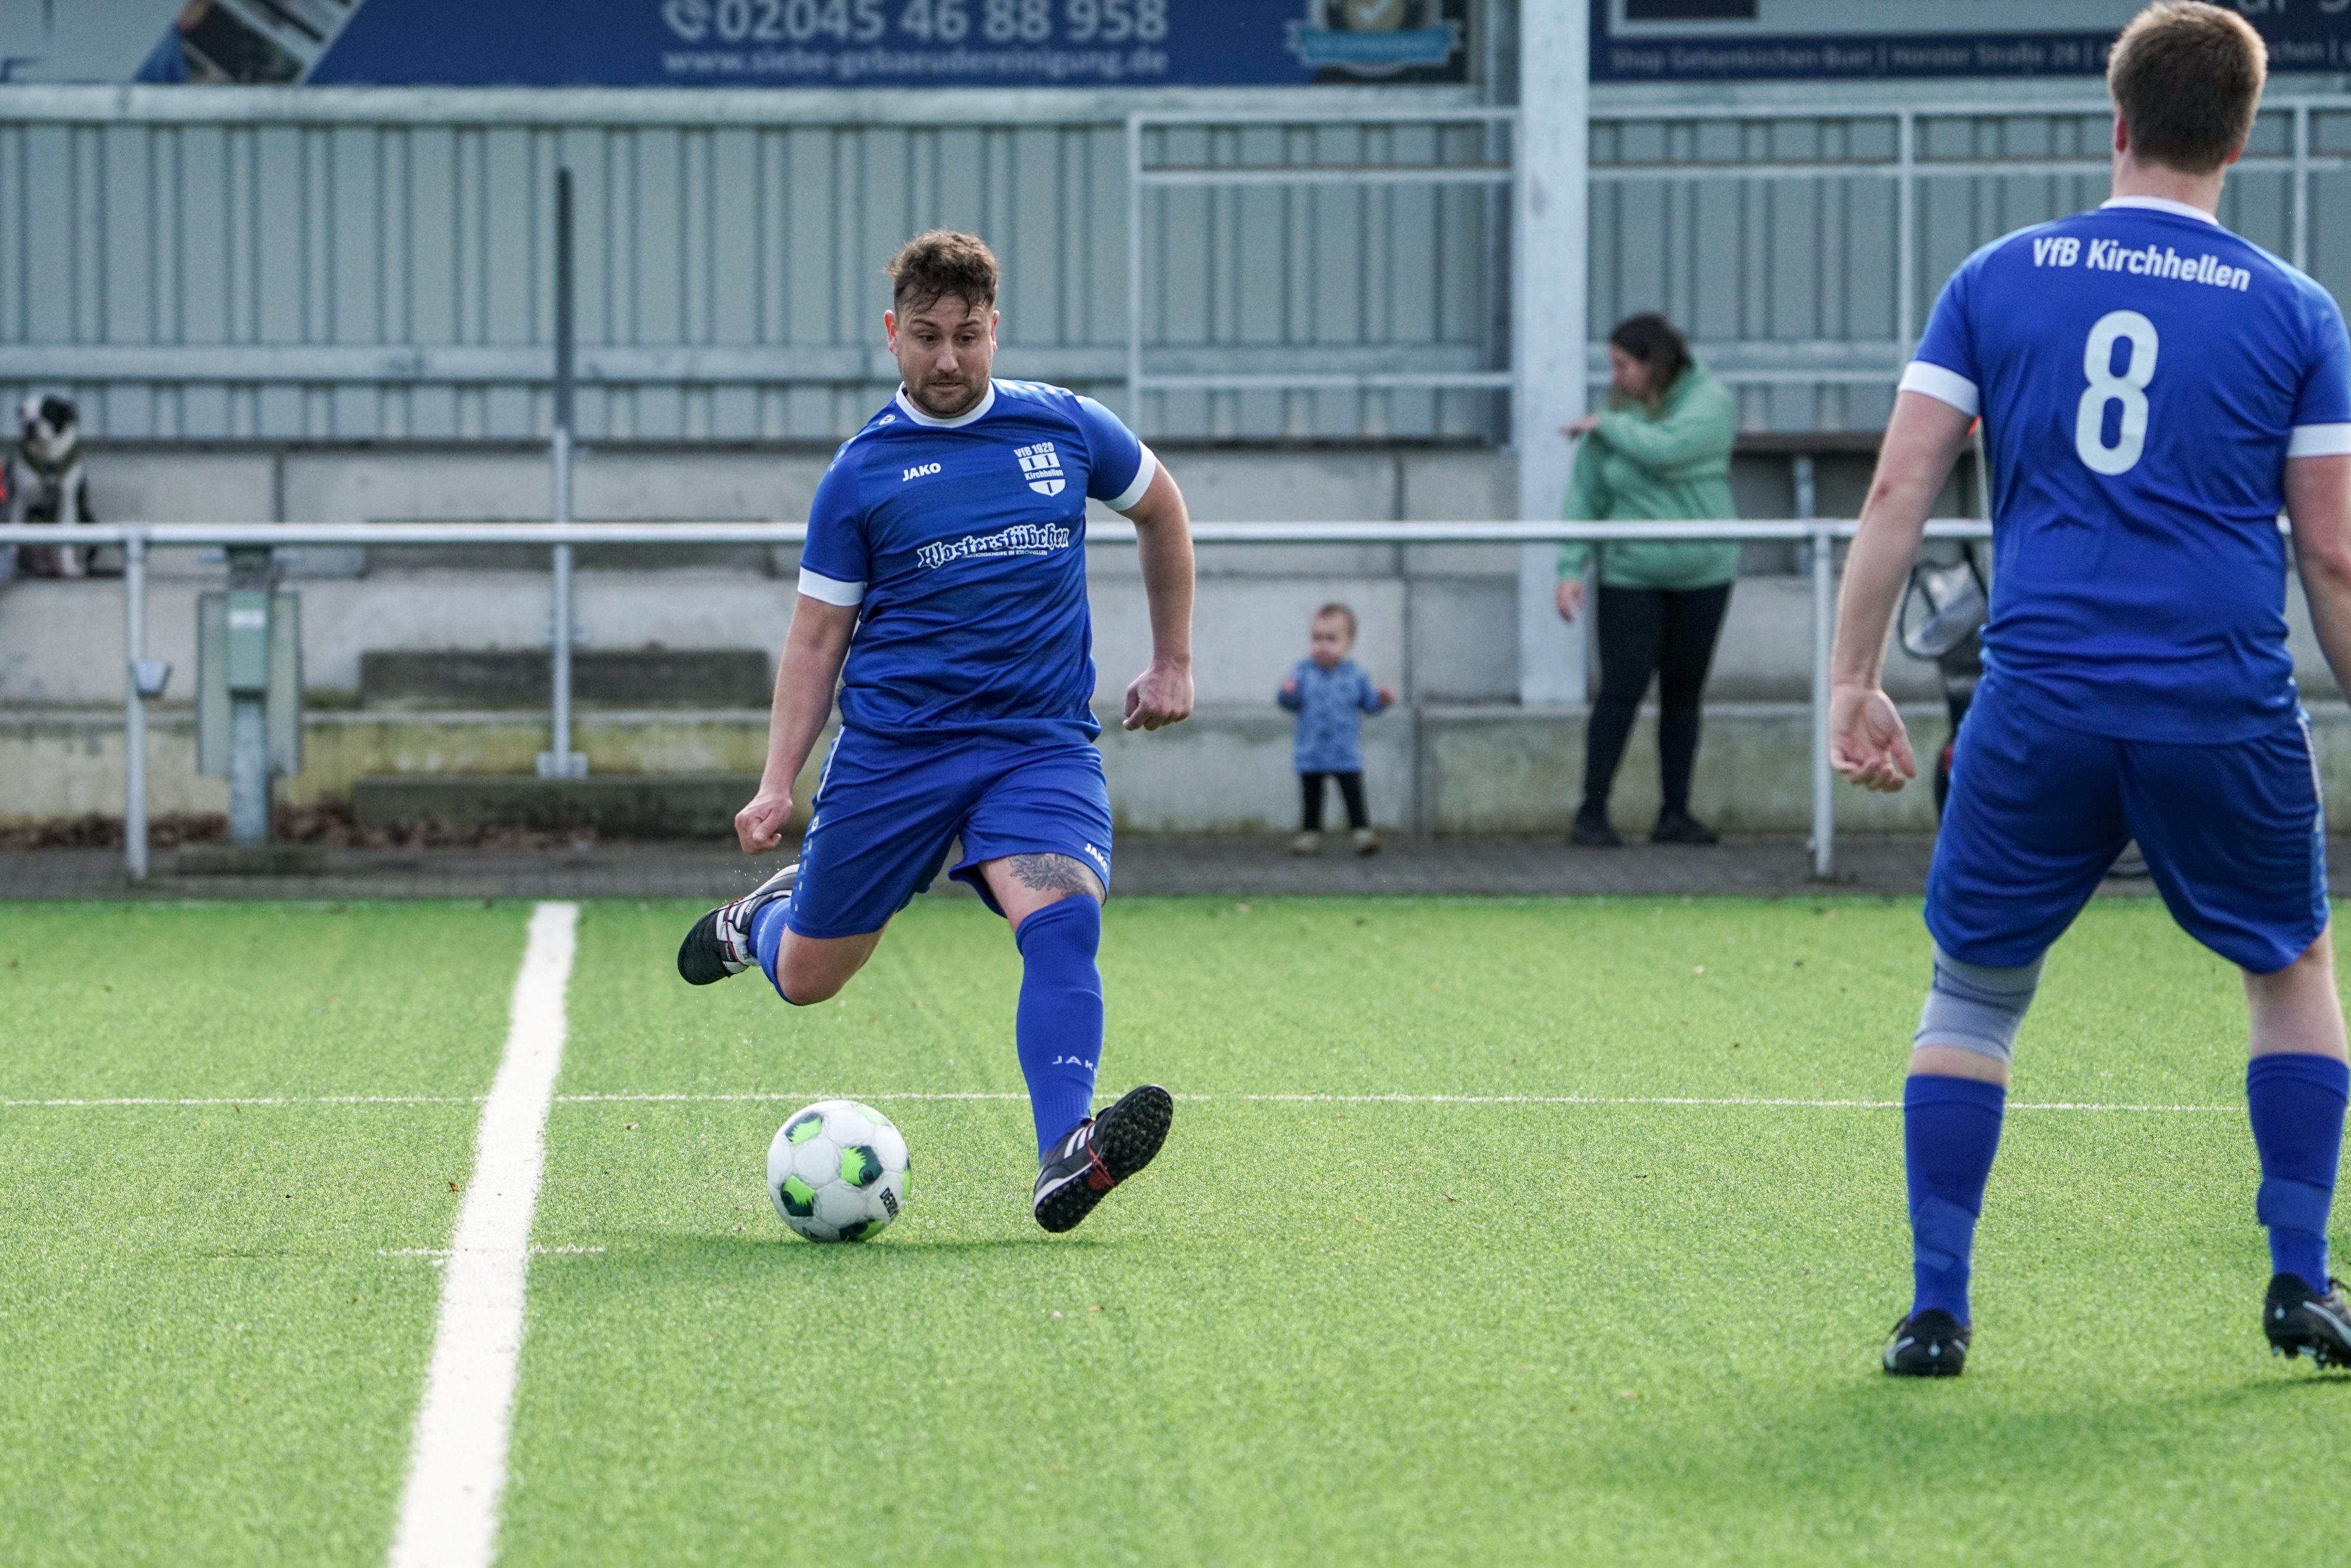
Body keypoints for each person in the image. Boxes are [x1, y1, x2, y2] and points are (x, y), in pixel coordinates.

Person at [1830, 2, 2351, 1376]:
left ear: (2115, 121)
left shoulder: (1995, 277)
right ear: (2237, 139)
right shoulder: (2295, 310)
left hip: (2038, 697)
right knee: (2286, 962)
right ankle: (2300, 1279)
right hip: (2216, 702)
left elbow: (1897, 486)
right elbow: (2333, 556)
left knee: (1972, 995)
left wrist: (1851, 677)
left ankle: (1935, 1308)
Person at [673, 229, 1197, 1236]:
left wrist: (1172, 660)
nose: (948, 359)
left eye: (967, 336)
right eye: (926, 337)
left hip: (1037, 743)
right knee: (810, 977)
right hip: (896, 754)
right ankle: (760, 924)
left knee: (1062, 917)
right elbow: (817, 637)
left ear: (995, 329)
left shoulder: (1065, 427)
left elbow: (1161, 511)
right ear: (892, 334)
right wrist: (777, 781)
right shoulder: (862, 473)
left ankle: (1066, 1150)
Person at [1555, 313, 1740, 848]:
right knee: (1620, 690)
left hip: (1703, 573)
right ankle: (1591, 814)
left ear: (1652, 363)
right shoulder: (1616, 414)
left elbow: (1671, 450)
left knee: (1683, 695)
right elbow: (1585, 496)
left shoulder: (1710, 403)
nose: (1614, 377)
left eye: (1622, 365)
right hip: (1629, 574)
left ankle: (1675, 814)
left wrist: (1605, 426)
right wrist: (1569, 567)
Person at [1277, 602, 1395, 856]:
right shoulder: (1302, 673)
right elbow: (1289, 703)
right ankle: (1310, 834)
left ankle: (1362, 832)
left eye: (1331, 639)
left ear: (1348, 643)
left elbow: (1369, 704)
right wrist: (1287, 693)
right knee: (1312, 796)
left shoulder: (1356, 675)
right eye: (1316, 638)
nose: (1322, 645)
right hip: (1311, 751)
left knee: (1353, 793)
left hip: (1345, 752)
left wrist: (1382, 700)